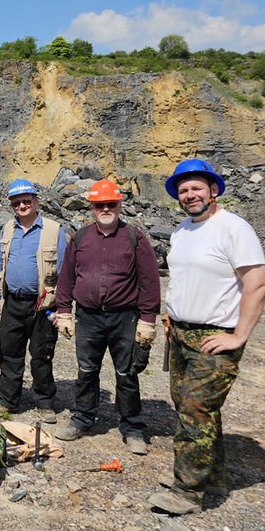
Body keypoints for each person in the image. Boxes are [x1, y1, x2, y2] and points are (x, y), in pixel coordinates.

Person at [148, 159, 265, 515]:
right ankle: (210, 475)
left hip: (215, 336)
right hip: (180, 333)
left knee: (196, 408)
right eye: (183, 190)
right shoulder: (181, 231)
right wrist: (170, 319)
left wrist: (238, 336)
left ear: (213, 190)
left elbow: (258, 284)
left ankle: (187, 491)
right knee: (191, 407)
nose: (190, 195)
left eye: (196, 188)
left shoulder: (233, 228)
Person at [53, 179, 161, 456]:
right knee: (87, 370)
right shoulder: (80, 238)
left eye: (110, 204)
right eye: (99, 205)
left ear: (119, 205)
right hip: (88, 317)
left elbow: (150, 280)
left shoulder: (135, 238)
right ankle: (82, 419)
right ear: (91, 207)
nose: (105, 209)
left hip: (124, 317)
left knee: (127, 373)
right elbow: (66, 277)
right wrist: (63, 311)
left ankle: (132, 428)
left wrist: (148, 319)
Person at [0, 179, 67, 423]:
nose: (21, 206)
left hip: (43, 304)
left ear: (35, 201)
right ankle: (7, 401)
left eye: (26, 201)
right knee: (8, 352)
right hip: (12, 302)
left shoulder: (54, 230)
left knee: (42, 354)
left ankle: (44, 402)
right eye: (16, 203)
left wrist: (63, 309)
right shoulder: (7, 229)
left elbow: (65, 271)